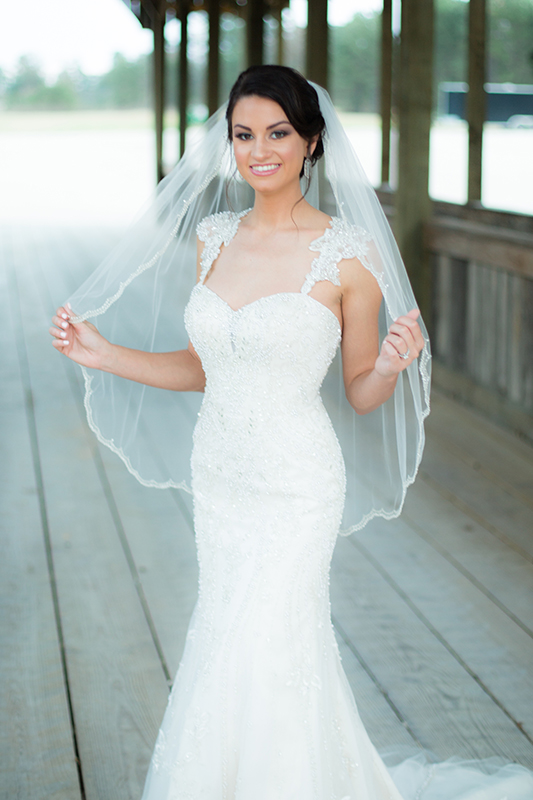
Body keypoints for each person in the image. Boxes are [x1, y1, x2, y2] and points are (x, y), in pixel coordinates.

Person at [49, 67, 532, 800]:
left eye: (277, 133)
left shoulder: (349, 256)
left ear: (310, 143)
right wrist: (103, 352)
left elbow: (360, 390)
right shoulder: (213, 239)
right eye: (244, 135)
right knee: (222, 635)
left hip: (296, 481)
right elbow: (208, 365)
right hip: (220, 471)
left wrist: (394, 366)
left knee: (270, 638)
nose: (259, 150)